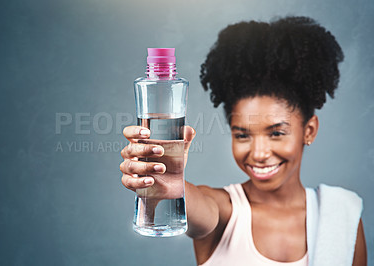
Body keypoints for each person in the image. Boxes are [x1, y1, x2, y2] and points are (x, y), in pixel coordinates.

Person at [119, 16, 367, 265]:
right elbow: (199, 210)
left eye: (276, 133)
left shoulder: (342, 215)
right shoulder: (224, 210)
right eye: (243, 135)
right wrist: (170, 181)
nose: (259, 153)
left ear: (309, 131)